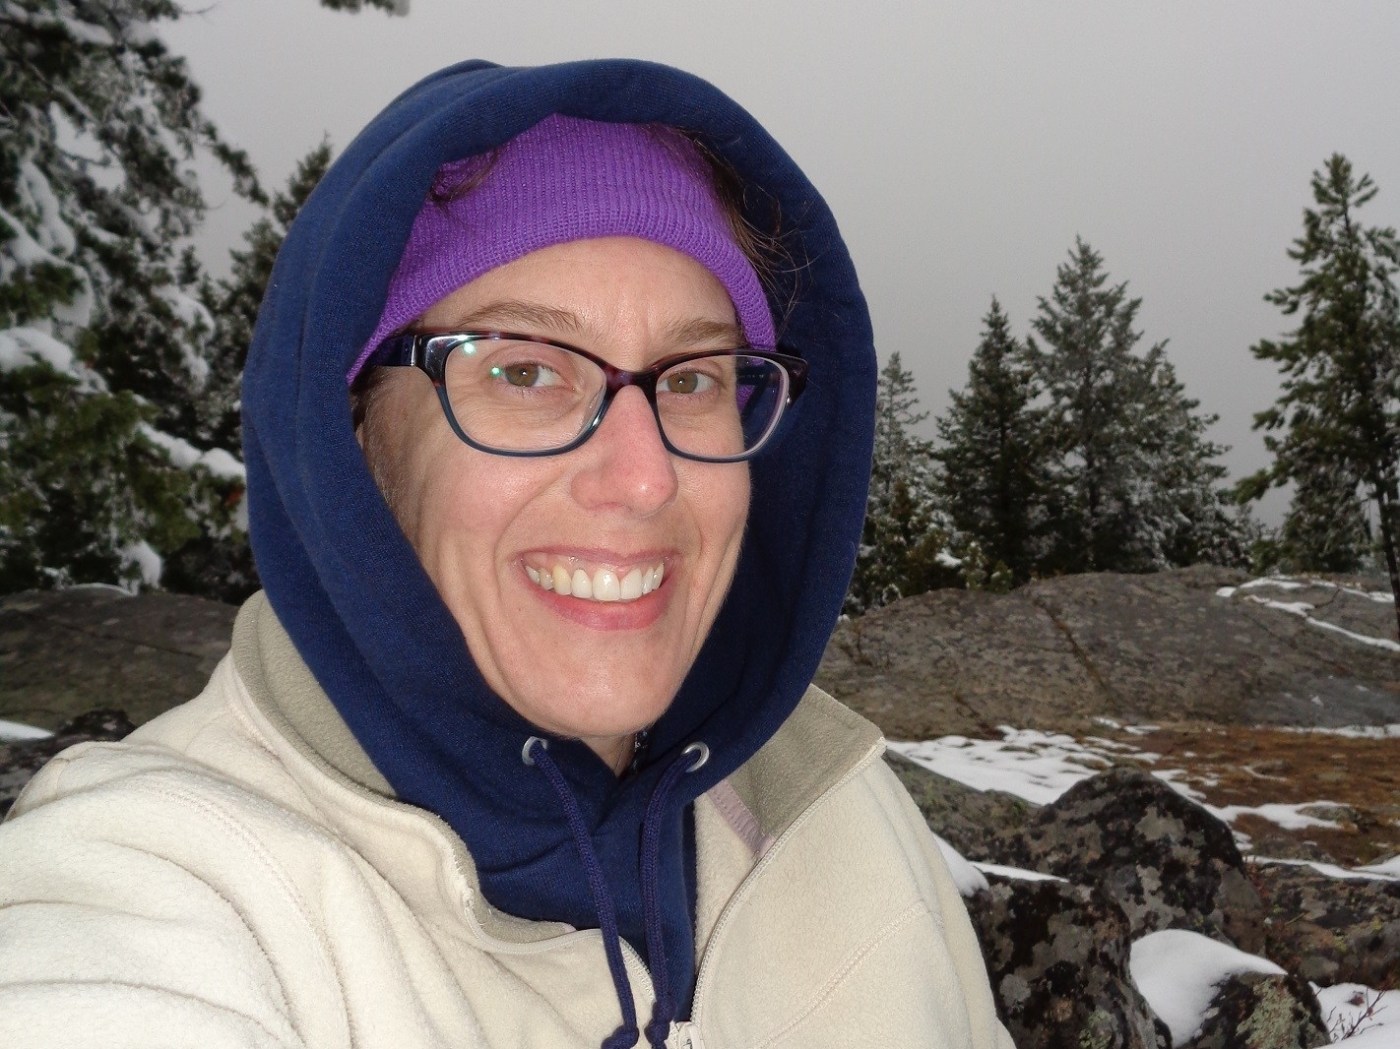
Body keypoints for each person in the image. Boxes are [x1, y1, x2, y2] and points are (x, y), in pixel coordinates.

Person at [0, 59, 1013, 1049]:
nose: (644, 477)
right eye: (525, 371)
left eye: (693, 379)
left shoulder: (840, 809)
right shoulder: (160, 882)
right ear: (354, 439)